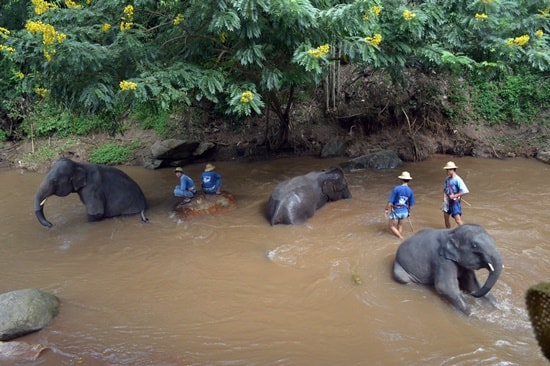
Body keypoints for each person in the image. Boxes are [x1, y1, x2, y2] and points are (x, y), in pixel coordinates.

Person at [384, 171, 415, 239]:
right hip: (405, 211)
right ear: (409, 180)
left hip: (397, 210)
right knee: (400, 224)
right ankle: (398, 238)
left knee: (391, 226)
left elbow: (390, 201)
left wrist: (386, 209)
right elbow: (410, 204)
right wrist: (409, 212)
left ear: (401, 179)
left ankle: (400, 237)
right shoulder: (410, 190)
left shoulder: (397, 188)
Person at [441, 161, 469, 228]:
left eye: (448, 170)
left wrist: (455, 196)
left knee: (458, 220)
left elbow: (465, 191)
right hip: (447, 201)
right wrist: (444, 197)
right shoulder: (447, 179)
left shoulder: (458, 180)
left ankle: (465, 232)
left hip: (454, 202)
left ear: (453, 170)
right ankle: (448, 232)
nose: (447, 171)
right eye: (447, 170)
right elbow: (445, 189)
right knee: (446, 217)